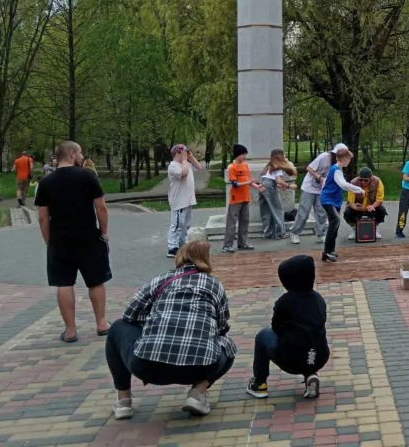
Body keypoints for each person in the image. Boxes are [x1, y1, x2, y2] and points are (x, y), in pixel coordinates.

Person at [105, 240, 236, 419]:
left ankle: (123, 401)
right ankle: (197, 393)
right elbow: (222, 327)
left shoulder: (161, 280)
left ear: (180, 257)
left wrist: (152, 323)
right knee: (228, 345)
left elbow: (130, 315)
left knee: (117, 327)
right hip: (198, 368)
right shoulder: (215, 285)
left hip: (147, 365)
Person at [35, 140, 111, 343]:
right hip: (89, 237)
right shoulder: (87, 176)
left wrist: (49, 241)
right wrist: (104, 232)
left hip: (60, 239)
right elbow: (101, 207)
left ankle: (70, 331)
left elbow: (42, 217)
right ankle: (101, 323)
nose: (82, 156)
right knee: (96, 281)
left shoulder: (46, 182)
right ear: (71, 154)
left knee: (64, 283)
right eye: (80, 153)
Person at [247, 255, 329, 400]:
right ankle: (310, 375)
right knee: (308, 339)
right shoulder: (318, 299)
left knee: (263, 336)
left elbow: (276, 327)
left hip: (291, 360)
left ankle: (259, 384)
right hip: (320, 357)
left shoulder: (285, 302)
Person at [289, 144, 338, 245]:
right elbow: (309, 168)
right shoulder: (323, 157)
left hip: (321, 189)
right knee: (304, 211)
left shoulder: (339, 164)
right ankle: (295, 233)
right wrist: (319, 177)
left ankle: (321, 234)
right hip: (309, 187)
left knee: (322, 212)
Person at [319, 147, 359, 262]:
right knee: (335, 221)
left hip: (335, 200)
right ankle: (327, 252)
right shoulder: (336, 170)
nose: (349, 161)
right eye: (349, 159)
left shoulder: (337, 169)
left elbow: (327, 182)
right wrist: (359, 190)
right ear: (345, 159)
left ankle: (330, 250)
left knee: (335, 224)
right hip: (328, 200)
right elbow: (344, 185)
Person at [224, 144, 261, 254]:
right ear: (237, 155)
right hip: (236, 199)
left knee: (245, 222)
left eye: (245, 154)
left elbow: (249, 180)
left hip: (245, 198)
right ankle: (227, 246)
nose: (245, 156)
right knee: (232, 223)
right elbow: (235, 184)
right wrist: (248, 182)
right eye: (243, 154)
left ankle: (242, 243)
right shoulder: (232, 167)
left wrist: (257, 186)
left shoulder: (245, 166)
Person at [166, 144, 200, 257]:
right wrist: (185, 160)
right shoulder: (173, 166)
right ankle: (172, 247)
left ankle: (182, 244)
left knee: (186, 224)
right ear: (178, 153)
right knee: (177, 223)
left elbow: (198, 167)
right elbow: (184, 174)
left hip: (188, 199)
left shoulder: (186, 164)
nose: (186, 154)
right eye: (184, 152)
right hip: (179, 200)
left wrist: (190, 157)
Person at [344, 166, 387, 240]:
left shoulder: (377, 182)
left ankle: (375, 227)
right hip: (358, 207)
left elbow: (379, 200)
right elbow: (351, 202)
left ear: (371, 178)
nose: (363, 182)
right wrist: (357, 208)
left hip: (372, 207)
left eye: (366, 180)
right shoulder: (353, 183)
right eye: (361, 180)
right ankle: (354, 228)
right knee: (347, 212)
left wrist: (372, 206)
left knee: (382, 210)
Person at [259, 149, 293, 239]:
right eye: (284, 155)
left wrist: (281, 186)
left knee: (266, 211)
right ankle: (280, 233)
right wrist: (289, 186)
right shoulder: (277, 167)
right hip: (269, 187)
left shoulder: (268, 166)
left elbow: (270, 180)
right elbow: (279, 180)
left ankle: (268, 233)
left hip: (262, 185)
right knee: (277, 210)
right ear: (280, 156)